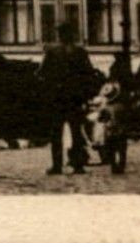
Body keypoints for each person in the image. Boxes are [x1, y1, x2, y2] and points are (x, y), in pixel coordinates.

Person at [38, 22, 100, 175]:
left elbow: (42, 74)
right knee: (76, 132)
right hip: (75, 98)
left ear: (60, 35)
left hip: (58, 98)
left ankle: (57, 165)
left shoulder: (52, 52)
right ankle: (78, 165)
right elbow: (89, 75)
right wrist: (85, 95)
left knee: (56, 133)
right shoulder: (80, 52)